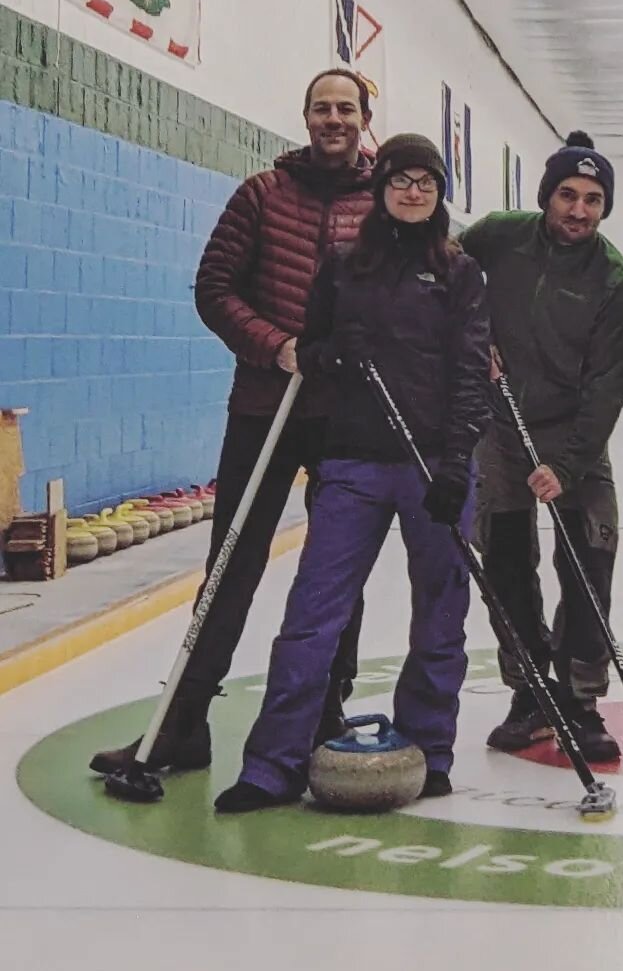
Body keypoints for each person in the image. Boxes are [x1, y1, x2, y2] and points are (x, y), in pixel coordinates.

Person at [90, 70, 377, 779]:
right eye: (321, 108)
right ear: (304, 116)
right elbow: (214, 288)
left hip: (346, 417)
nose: (332, 118)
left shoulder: (385, 202)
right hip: (264, 407)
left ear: (365, 118)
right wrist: (275, 346)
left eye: (346, 108)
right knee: (232, 563)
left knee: (335, 571)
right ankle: (184, 724)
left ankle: (324, 713)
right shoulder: (261, 195)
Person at [214, 135, 488, 812]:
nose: (414, 191)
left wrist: (457, 466)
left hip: (434, 468)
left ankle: (431, 747)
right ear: (382, 187)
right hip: (354, 463)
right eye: (402, 179)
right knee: (313, 615)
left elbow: (471, 375)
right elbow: (313, 349)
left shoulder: (459, 271)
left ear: (439, 192)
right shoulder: (341, 266)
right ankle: (273, 763)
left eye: (427, 181)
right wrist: (334, 354)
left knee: (440, 617)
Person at [460, 131, 623, 764]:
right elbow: (444, 265)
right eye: (568, 195)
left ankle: (580, 698)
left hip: (575, 439)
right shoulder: (500, 235)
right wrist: (470, 330)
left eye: (593, 199)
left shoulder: (614, 278)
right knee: (506, 566)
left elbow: (607, 386)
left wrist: (568, 465)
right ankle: (531, 691)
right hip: (501, 433)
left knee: (590, 562)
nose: (579, 210)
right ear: (547, 196)